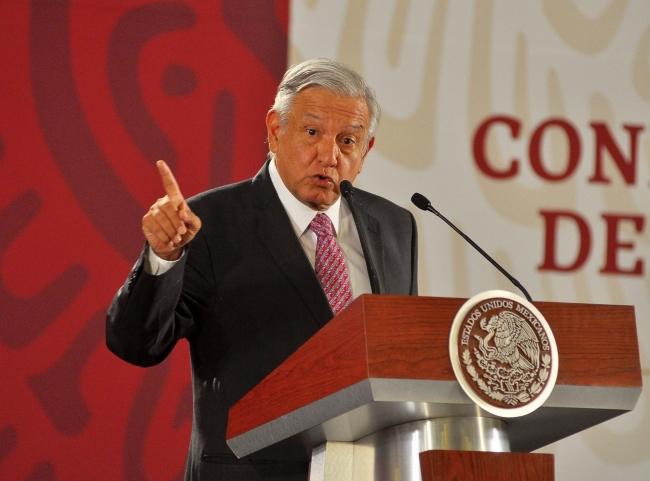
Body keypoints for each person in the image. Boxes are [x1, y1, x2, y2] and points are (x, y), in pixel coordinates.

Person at [106, 58, 418, 481]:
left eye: (348, 140)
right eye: (312, 133)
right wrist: (163, 258)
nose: (329, 156)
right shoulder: (209, 223)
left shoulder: (395, 226)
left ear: (366, 151)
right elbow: (136, 344)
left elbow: (400, 362)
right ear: (275, 130)